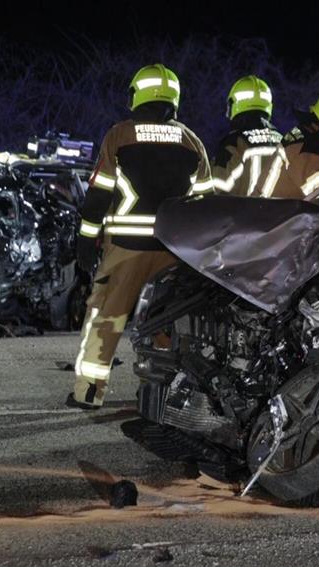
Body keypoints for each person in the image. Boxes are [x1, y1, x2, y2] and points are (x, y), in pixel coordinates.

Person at [69, 63, 212, 409]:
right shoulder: (192, 141)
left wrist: (86, 241)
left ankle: (89, 392)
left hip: (126, 250)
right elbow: (206, 204)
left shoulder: (120, 135)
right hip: (174, 253)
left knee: (105, 318)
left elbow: (99, 194)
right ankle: (161, 396)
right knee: (166, 325)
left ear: (138, 95)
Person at [211, 75, 288, 197]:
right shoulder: (284, 141)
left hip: (244, 215)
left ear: (234, 105)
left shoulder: (234, 143)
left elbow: (218, 191)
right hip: (283, 215)